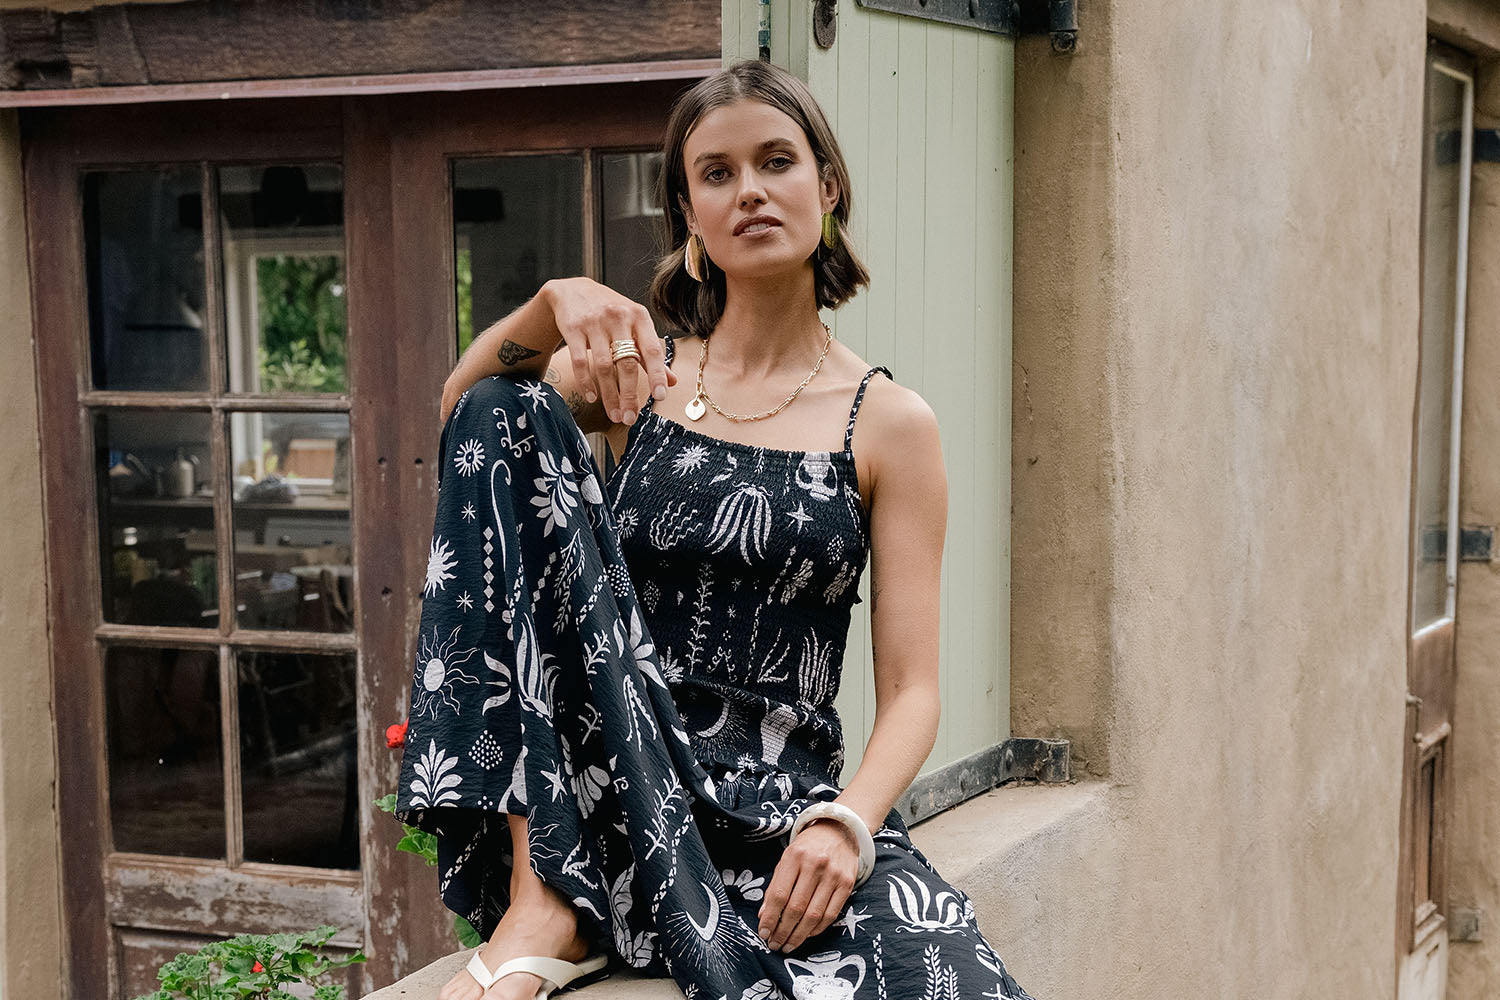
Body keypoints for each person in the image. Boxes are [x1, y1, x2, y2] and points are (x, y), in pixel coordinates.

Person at [396, 59, 1037, 1000]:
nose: (750, 192)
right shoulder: (640, 379)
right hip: (621, 775)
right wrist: (552, 301)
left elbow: (912, 690)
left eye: (775, 161)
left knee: (951, 978)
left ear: (826, 185)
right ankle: (546, 897)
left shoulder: (890, 422)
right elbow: (467, 419)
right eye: (717, 173)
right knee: (507, 405)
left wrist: (847, 824)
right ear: (690, 215)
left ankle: (611, 907)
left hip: (778, 805)